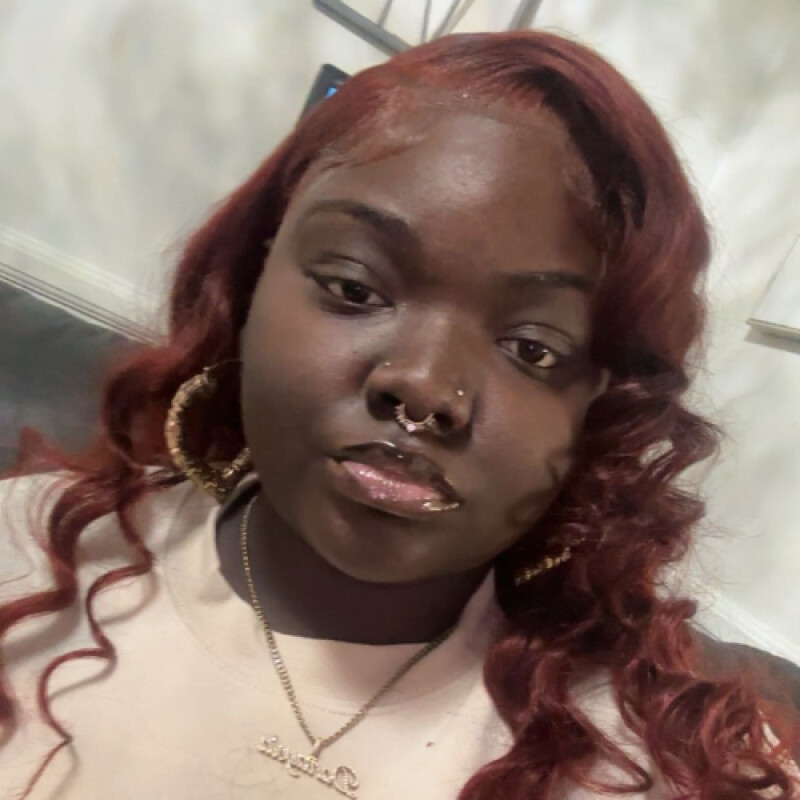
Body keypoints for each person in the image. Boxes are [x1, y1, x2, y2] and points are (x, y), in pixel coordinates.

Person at [0, 29, 797, 800]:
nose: (425, 388)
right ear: (250, 284)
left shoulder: (661, 762)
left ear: (600, 410)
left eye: (533, 348)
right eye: (355, 288)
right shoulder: (25, 555)